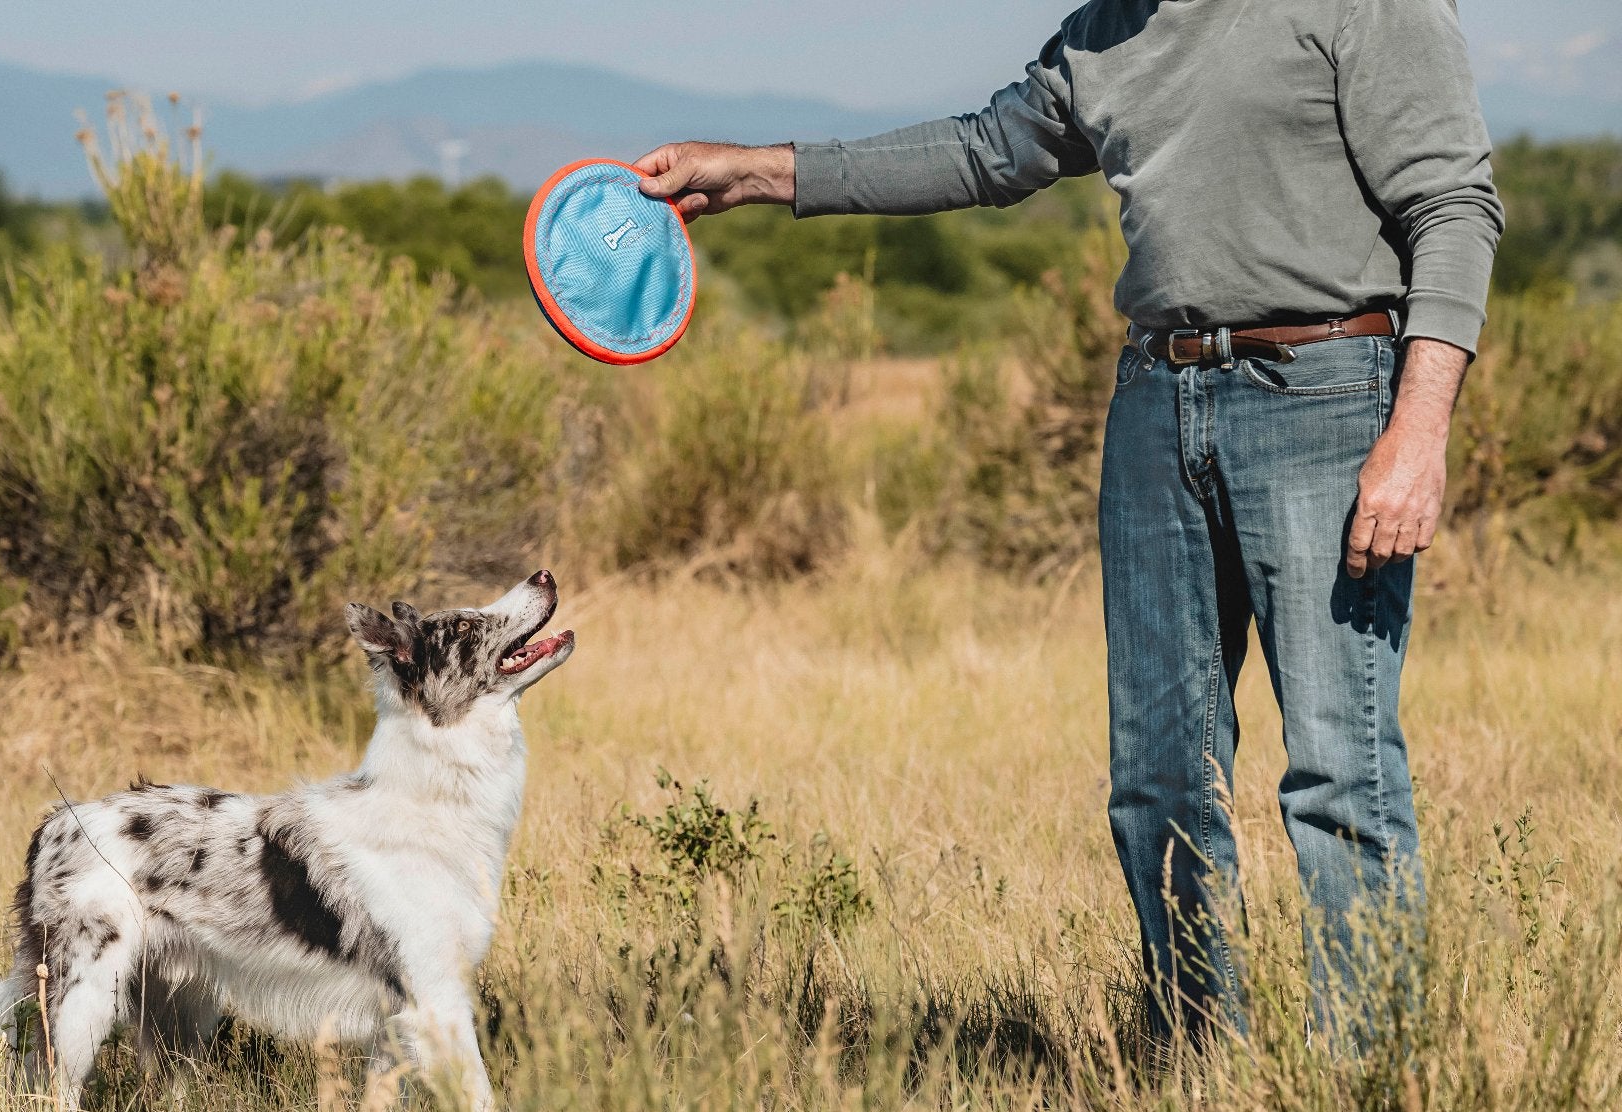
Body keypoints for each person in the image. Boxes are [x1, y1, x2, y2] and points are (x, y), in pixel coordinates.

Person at [633, 0, 1502, 1041]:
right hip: (1154, 402)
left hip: (1324, 396)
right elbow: (986, 150)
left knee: (1337, 774)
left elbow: (1452, 205)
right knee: (1157, 778)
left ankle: (1369, 1092)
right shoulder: (1105, 32)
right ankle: (1198, 1071)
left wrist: (1416, 433)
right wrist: (755, 172)